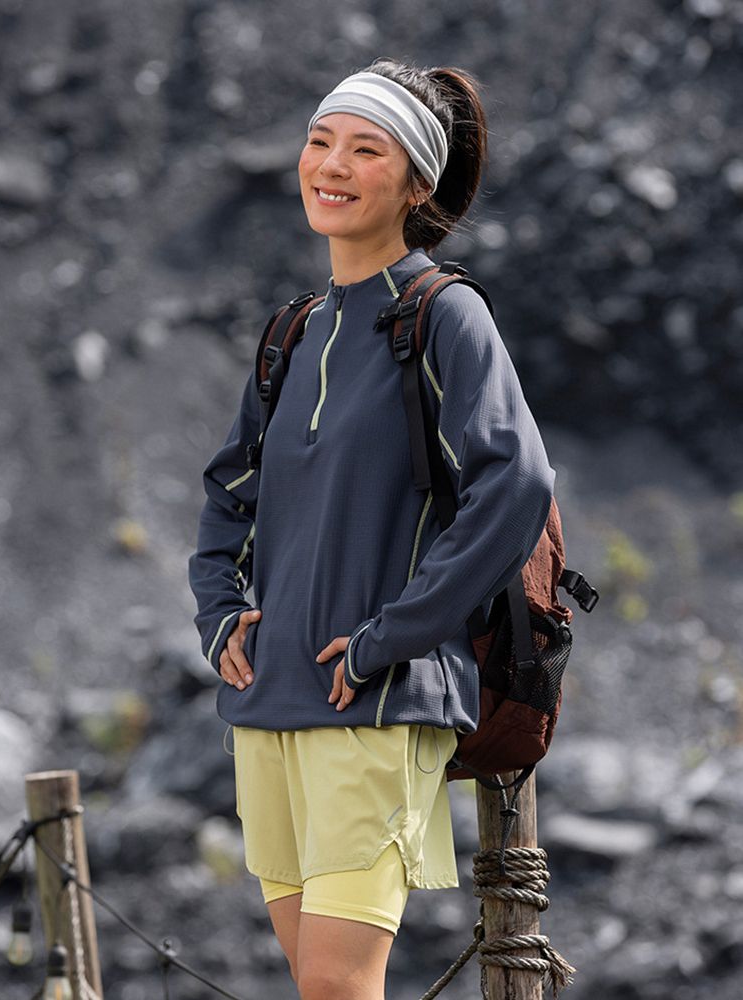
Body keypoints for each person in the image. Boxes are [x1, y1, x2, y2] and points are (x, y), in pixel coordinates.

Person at [187, 56, 555, 1000]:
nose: (332, 165)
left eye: (366, 149)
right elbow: (228, 495)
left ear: (417, 185)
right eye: (320, 141)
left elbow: (517, 484)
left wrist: (391, 636)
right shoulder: (292, 332)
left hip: (374, 700)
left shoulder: (444, 316)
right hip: (269, 706)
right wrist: (219, 616)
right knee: (319, 986)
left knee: (336, 987)